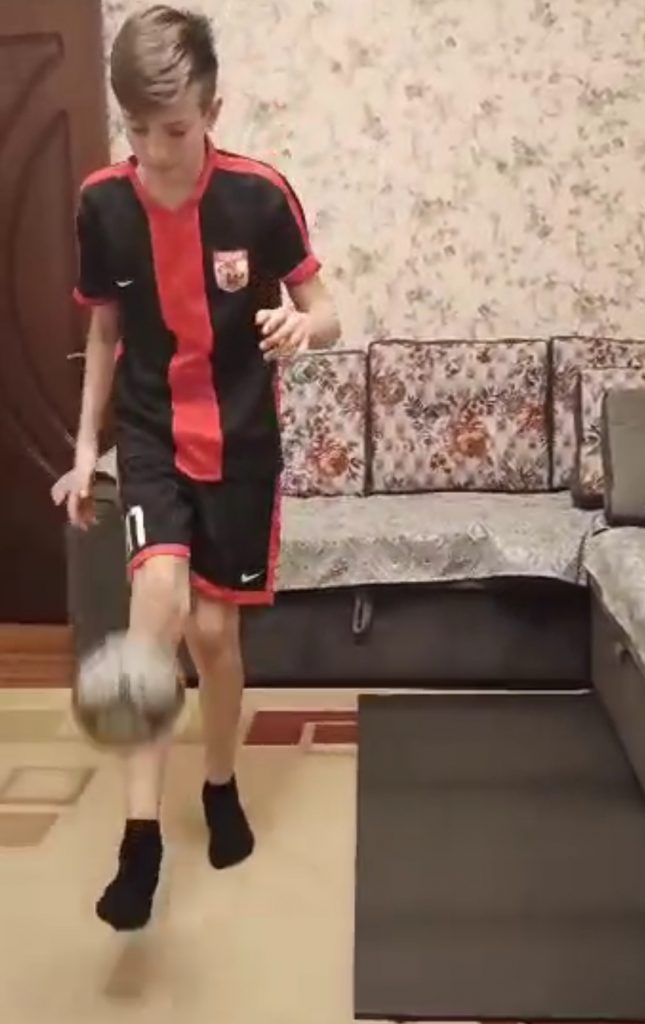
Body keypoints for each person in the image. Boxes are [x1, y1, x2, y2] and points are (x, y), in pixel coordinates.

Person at [66, 3, 340, 930]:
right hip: (149, 436)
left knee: (215, 640)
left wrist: (304, 325)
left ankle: (220, 781)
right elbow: (104, 332)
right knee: (158, 599)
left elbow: (329, 309)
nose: (156, 151)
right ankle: (140, 842)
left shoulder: (259, 197)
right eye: (137, 130)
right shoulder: (103, 204)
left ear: (212, 113)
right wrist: (85, 452)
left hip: (239, 444)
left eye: (175, 130)